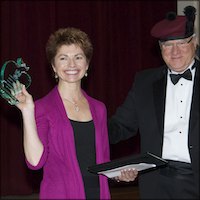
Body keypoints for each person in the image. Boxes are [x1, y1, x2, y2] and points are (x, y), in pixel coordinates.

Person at [109, 6, 199, 199]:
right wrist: (86, 124)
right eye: (167, 45)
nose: (175, 51)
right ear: (160, 48)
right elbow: (120, 126)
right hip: (156, 181)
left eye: (181, 43)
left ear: (195, 42)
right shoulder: (144, 83)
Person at [11, 27, 111, 199]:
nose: (71, 64)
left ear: (86, 64)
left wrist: (122, 173)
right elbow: (35, 162)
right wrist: (27, 112)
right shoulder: (42, 107)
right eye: (63, 58)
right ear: (54, 67)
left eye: (78, 57)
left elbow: (104, 162)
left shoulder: (99, 108)